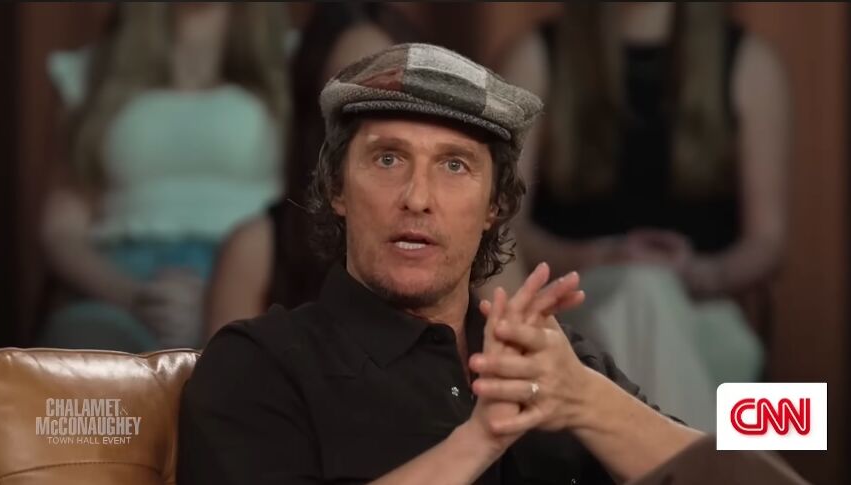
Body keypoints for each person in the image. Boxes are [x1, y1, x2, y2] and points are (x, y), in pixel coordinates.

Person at [177, 42, 710, 485]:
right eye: (388, 159)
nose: (417, 197)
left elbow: (732, 473)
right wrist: (480, 439)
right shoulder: (258, 364)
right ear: (337, 188)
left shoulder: (556, 363)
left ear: (495, 205)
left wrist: (587, 400)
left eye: (454, 165)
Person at [489, 3, 790, 430]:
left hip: (703, 305)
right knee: (642, 293)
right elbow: (502, 224)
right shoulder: (535, 56)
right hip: (581, 302)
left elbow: (768, 242)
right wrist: (599, 257)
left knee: (727, 346)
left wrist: (698, 274)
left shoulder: (751, 63)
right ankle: (706, 461)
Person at [38, 3, 290, 351]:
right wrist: (134, 296)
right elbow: (62, 230)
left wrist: (229, 292)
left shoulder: (297, 60)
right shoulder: (90, 72)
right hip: (122, 286)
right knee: (79, 348)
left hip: (254, 279)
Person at [205, 3, 410, 334]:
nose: (376, 119)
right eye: (350, 99)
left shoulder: (466, 241)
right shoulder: (256, 251)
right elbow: (224, 366)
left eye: (394, 92)